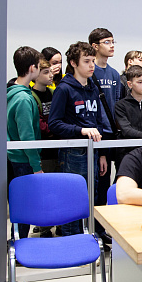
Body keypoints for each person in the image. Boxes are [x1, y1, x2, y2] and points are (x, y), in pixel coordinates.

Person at [48, 41, 107, 236]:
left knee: (91, 197)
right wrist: (81, 130)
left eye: (93, 61)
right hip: (73, 151)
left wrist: (102, 153)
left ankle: (87, 237)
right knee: (72, 199)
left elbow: (98, 122)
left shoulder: (93, 88)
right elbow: (54, 124)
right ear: (73, 63)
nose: (91, 65)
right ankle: (70, 239)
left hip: (93, 149)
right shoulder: (64, 89)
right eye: (86, 61)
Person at [7, 46, 44, 240]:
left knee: (21, 204)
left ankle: (18, 240)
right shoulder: (22, 98)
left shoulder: (14, 93)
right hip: (23, 160)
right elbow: (26, 136)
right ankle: (19, 243)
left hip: (17, 158)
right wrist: (36, 166)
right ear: (32, 68)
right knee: (24, 206)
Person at [89, 28, 121, 219]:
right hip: (93, 132)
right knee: (93, 181)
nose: (112, 46)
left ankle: (102, 224)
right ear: (95, 46)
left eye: (113, 42)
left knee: (105, 180)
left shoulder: (114, 74)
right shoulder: (89, 72)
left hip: (110, 133)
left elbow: (116, 103)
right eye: (107, 42)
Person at [30, 57, 60, 237]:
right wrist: (56, 128)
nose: (50, 75)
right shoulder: (31, 96)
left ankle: (58, 222)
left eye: (50, 72)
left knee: (57, 189)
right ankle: (44, 227)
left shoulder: (53, 92)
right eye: (46, 72)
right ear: (35, 74)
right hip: (43, 150)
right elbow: (39, 124)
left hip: (57, 148)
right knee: (44, 191)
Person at [114, 64, 142, 167]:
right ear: (130, 84)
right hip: (126, 153)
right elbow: (126, 130)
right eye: (140, 82)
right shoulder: (121, 105)